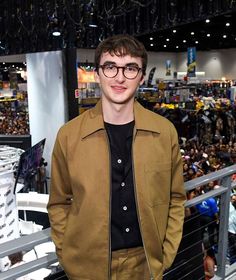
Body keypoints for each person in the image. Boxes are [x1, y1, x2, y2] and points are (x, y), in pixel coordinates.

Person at [47, 34, 186, 280]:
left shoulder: (165, 133)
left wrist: (166, 254)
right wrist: (67, 254)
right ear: (98, 74)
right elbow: (59, 202)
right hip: (87, 267)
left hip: (147, 265)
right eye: (111, 67)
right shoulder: (69, 136)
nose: (120, 77)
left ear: (141, 76)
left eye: (130, 68)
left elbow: (175, 198)